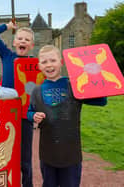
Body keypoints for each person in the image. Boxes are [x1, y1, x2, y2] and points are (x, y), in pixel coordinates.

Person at [27, 45, 107, 187]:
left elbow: (101, 101)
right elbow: (29, 111)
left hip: (71, 153)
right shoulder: (36, 91)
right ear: (39, 66)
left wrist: (95, 75)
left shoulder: (75, 85)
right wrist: (33, 115)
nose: (49, 65)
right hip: (47, 152)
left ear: (61, 62)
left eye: (53, 60)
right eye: (44, 62)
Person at [0, 21, 35, 186]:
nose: (23, 41)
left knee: (25, 159)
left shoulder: (35, 64)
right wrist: (7, 26)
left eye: (27, 40)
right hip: (4, 113)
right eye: (20, 38)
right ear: (14, 42)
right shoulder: (7, 56)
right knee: (3, 153)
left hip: (25, 115)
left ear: (32, 45)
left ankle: (27, 184)